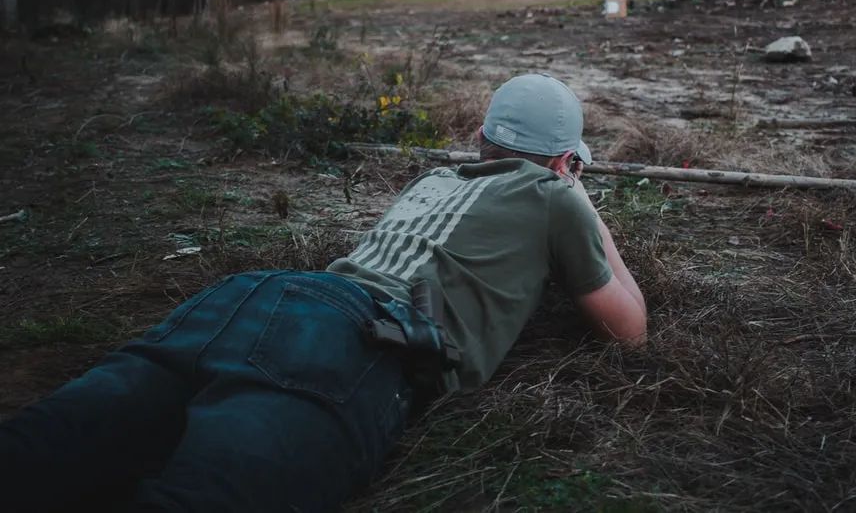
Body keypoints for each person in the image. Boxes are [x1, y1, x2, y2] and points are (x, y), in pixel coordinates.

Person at [0, 73, 647, 512]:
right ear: (567, 162)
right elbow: (631, 328)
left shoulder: (434, 181)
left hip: (249, 300)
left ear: (481, 142)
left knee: (41, 450)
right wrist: (579, 200)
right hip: (352, 344)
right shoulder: (555, 195)